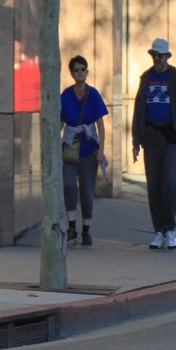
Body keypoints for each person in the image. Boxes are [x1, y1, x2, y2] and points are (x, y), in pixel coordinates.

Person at [131, 38, 176, 249]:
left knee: (169, 182)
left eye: (160, 56)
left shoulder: (175, 77)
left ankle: (170, 229)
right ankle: (159, 231)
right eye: (154, 56)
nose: (157, 59)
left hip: (169, 136)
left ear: (167, 56)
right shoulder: (146, 78)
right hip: (151, 136)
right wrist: (136, 141)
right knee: (154, 185)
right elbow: (139, 110)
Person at [60, 55, 109, 246]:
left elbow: (100, 125)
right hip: (70, 149)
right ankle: (71, 228)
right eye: (76, 70)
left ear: (87, 72)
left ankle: (86, 230)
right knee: (68, 185)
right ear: (71, 73)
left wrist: (101, 149)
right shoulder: (66, 95)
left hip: (89, 149)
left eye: (82, 69)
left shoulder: (93, 94)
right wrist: (56, 144)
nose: (79, 72)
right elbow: (60, 122)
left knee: (87, 190)